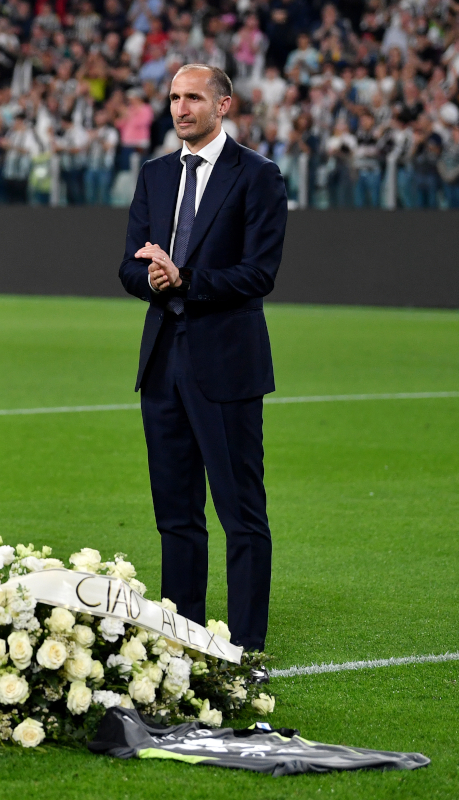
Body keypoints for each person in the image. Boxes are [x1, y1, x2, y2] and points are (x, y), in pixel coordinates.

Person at [118, 64, 286, 658]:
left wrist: (183, 277)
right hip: (163, 360)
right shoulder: (156, 174)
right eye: (173, 98)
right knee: (176, 514)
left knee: (241, 512)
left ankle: (245, 646)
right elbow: (128, 266)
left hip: (226, 364)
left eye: (193, 97)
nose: (180, 108)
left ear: (224, 104)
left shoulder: (258, 176)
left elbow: (260, 273)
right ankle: (182, 641)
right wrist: (156, 279)